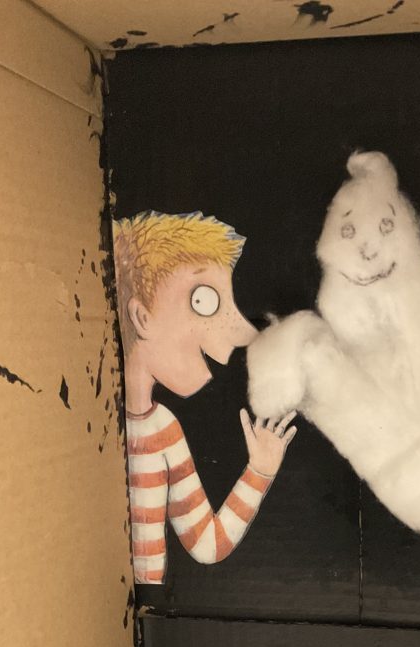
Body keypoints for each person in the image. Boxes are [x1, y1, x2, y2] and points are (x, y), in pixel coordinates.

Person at [113, 210, 296, 584]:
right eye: (203, 300)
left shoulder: (163, 428)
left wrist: (259, 471)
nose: (241, 333)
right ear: (142, 317)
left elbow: (207, 544)